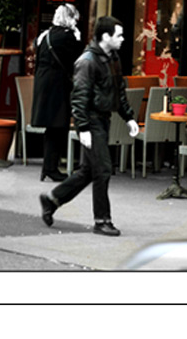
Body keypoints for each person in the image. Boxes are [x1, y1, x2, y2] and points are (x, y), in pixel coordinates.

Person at [39, 15, 139, 236]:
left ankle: (52, 200)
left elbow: (118, 91)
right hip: (92, 120)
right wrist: (82, 127)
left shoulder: (112, 57)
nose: (123, 39)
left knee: (88, 171)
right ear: (106, 37)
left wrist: (129, 117)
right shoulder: (87, 62)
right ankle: (102, 220)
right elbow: (79, 97)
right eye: (119, 35)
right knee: (102, 169)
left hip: (103, 119)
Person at [31, 3, 85, 182]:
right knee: (58, 126)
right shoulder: (68, 36)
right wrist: (78, 39)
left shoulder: (44, 35)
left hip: (43, 83)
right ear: (70, 18)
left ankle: (48, 167)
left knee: (51, 127)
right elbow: (77, 60)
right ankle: (51, 168)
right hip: (58, 84)